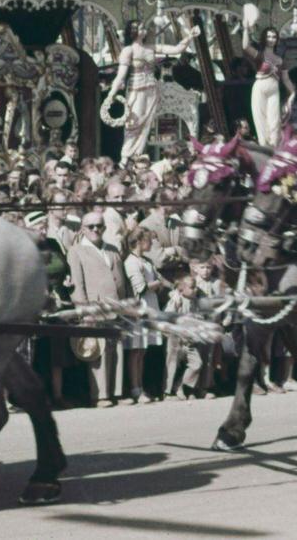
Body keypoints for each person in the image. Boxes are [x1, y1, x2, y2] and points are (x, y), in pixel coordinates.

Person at [103, 20, 199, 163]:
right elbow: (120, 76)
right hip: (137, 89)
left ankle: (137, 155)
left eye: (143, 27)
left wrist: (190, 36)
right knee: (134, 123)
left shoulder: (151, 47)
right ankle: (125, 157)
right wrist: (111, 95)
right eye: (140, 27)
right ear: (132, 31)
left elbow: (177, 49)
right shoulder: (128, 50)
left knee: (146, 125)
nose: (144, 29)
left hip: (152, 90)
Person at [68, 210, 124, 407]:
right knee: (97, 352)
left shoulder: (112, 249)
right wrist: (84, 310)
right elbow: (77, 284)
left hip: (115, 305)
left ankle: (116, 392)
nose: (95, 230)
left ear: (105, 227)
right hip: (94, 305)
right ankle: (100, 395)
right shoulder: (76, 251)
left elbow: (121, 280)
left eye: (99, 226)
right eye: (90, 226)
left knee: (115, 349)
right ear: (83, 229)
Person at [121, 227, 168, 403]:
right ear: (139, 242)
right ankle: (135, 389)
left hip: (149, 307)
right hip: (139, 310)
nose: (152, 243)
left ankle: (140, 387)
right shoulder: (132, 262)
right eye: (149, 240)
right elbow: (140, 288)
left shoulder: (146, 260)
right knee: (136, 351)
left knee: (142, 351)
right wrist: (158, 283)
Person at [242, 22, 294, 147]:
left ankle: (273, 148)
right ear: (264, 38)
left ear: (277, 40)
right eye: (268, 36)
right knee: (260, 121)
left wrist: (292, 93)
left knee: (274, 122)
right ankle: (263, 147)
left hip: (274, 90)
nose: (271, 39)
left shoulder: (280, 60)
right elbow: (245, 46)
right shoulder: (260, 55)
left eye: (274, 37)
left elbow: (286, 80)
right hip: (260, 88)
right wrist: (245, 28)